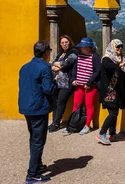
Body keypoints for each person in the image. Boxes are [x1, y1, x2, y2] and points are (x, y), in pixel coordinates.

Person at [18, 41, 56, 183]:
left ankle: (38, 165)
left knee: (33, 138)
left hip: (26, 106)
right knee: (38, 141)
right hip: (39, 108)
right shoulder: (45, 68)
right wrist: (55, 81)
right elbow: (48, 89)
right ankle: (32, 174)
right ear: (46, 53)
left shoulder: (24, 67)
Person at [97, 39, 125, 145]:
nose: (120, 49)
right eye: (117, 47)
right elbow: (110, 67)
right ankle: (102, 133)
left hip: (117, 90)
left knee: (114, 112)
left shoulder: (121, 58)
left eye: (121, 46)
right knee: (113, 113)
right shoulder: (107, 58)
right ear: (112, 47)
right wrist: (122, 64)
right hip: (109, 90)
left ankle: (112, 133)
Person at [69, 37, 101, 135]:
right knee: (76, 104)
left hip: (90, 86)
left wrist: (89, 82)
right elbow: (75, 69)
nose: (82, 49)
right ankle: (74, 124)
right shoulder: (79, 56)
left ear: (89, 47)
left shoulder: (95, 57)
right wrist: (73, 79)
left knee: (89, 105)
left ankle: (87, 125)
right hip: (79, 85)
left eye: (84, 47)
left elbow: (97, 71)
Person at [48, 35, 78, 132]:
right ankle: (54, 121)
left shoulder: (74, 52)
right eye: (62, 43)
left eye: (66, 42)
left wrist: (57, 65)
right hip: (57, 82)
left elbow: (66, 63)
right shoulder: (61, 53)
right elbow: (52, 64)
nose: (64, 44)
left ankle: (57, 123)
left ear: (70, 42)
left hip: (67, 83)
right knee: (55, 102)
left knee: (61, 102)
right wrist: (56, 65)